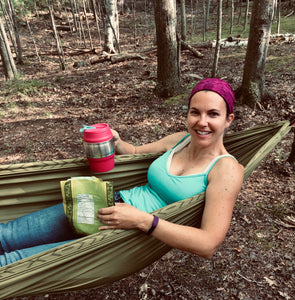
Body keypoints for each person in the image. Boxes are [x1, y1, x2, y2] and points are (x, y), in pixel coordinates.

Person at [0, 78, 244, 267]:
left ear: (228, 119)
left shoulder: (226, 169)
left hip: (125, 235)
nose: (202, 122)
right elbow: (135, 151)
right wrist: (114, 139)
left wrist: (141, 220)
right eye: (195, 112)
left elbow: (208, 243)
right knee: (7, 235)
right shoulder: (180, 140)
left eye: (213, 114)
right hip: (108, 203)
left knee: (12, 263)